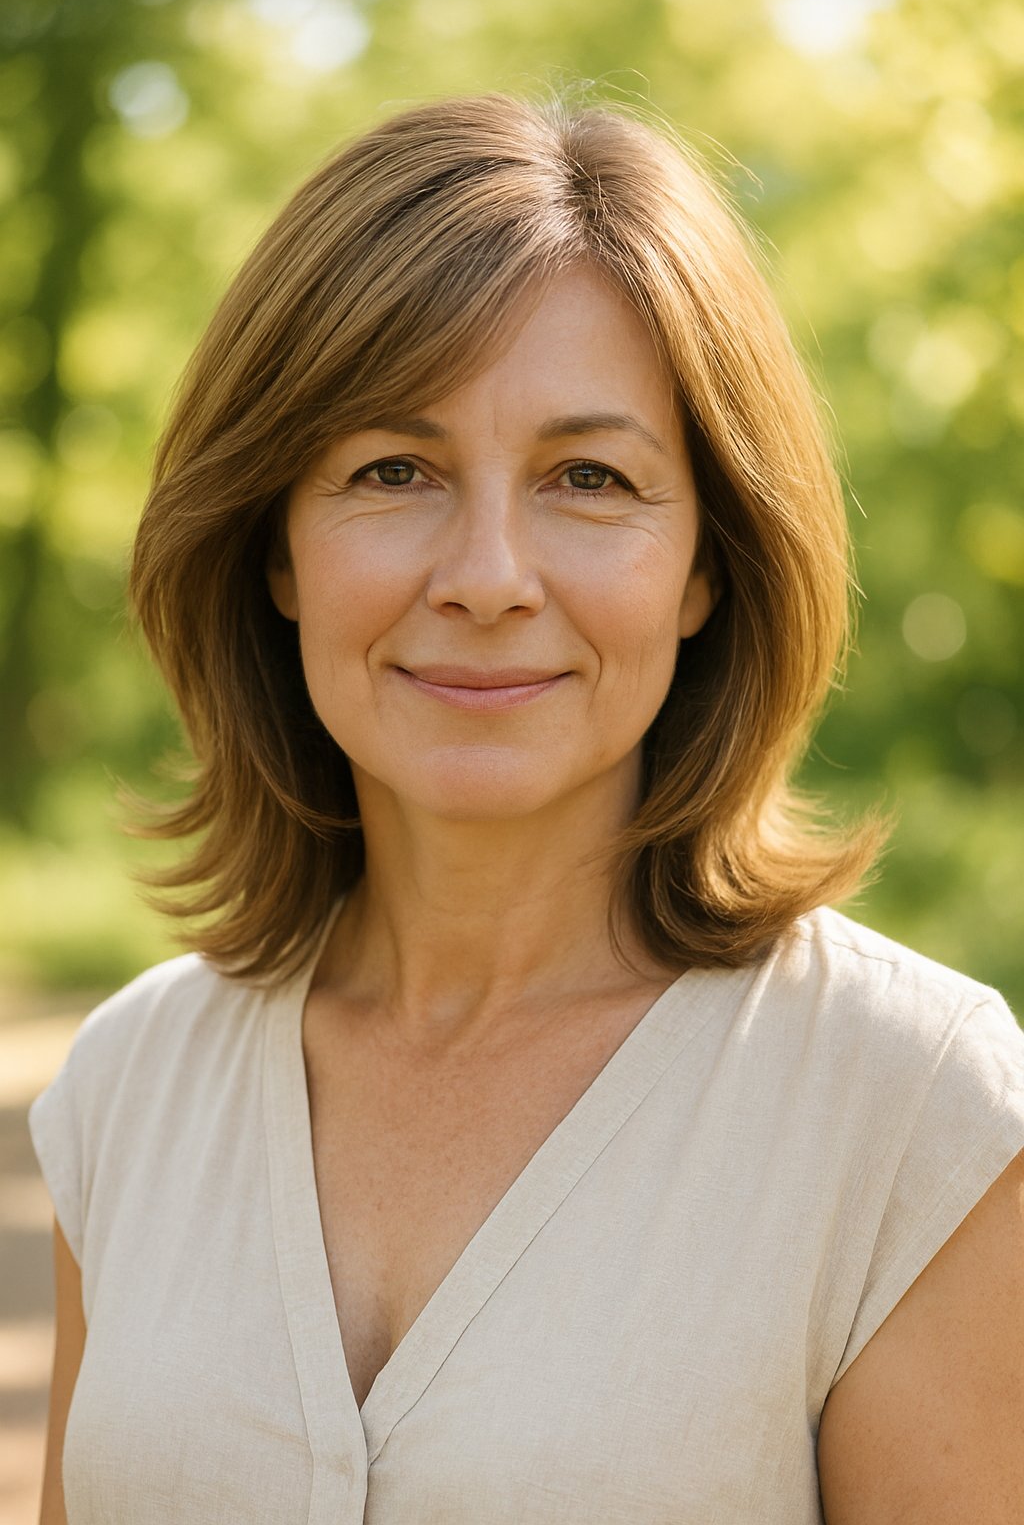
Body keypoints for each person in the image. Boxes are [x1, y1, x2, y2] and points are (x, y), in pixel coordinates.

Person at [29, 92, 1024, 1525]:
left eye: (589, 478)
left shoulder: (907, 1108)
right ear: (275, 549)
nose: (488, 574)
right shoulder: (129, 1091)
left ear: (705, 567)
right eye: (393, 470)